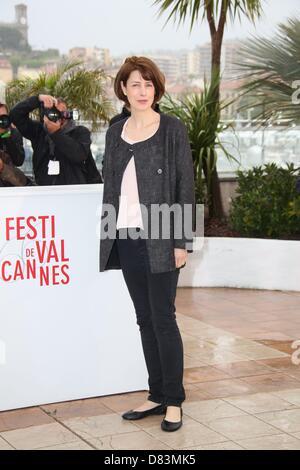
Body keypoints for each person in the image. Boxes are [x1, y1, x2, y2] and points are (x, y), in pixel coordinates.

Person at [99, 57, 195, 432]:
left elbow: (185, 186)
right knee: (144, 319)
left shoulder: (172, 128)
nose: (142, 91)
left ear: (157, 89)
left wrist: (182, 241)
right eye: (135, 84)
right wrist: (108, 234)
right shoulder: (114, 131)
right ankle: (156, 394)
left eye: (148, 84)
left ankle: (174, 400)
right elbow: (111, 186)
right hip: (125, 236)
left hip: (161, 237)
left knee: (164, 319)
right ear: (123, 88)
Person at [10, 95, 102, 185]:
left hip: (74, 191)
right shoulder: (39, 132)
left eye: (63, 113)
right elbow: (15, 115)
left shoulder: (79, 132)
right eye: (54, 113)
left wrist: (56, 133)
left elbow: (79, 154)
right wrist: (38, 99)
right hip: (46, 191)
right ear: (45, 116)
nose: (60, 118)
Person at [0, 102, 30, 187]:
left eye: (3, 117)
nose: (1, 121)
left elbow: (19, 160)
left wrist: (6, 135)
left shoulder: (13, 133)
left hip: (9, 186)